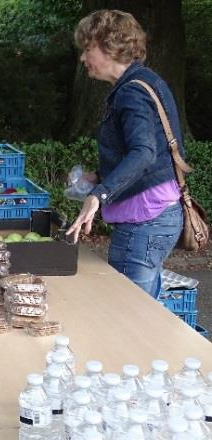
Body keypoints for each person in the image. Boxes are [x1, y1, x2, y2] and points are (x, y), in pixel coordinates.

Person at [66, 9, 185, 298]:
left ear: (110, 46)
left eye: (88, 49)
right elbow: (144, 152)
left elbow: (144, 152)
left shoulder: (131, 92)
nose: (83, 59)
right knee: (145, 313)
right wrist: (99, 178)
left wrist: (100, 194)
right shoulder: (144, 81)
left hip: (145, 221)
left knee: (130, 316)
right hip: (157, 216)